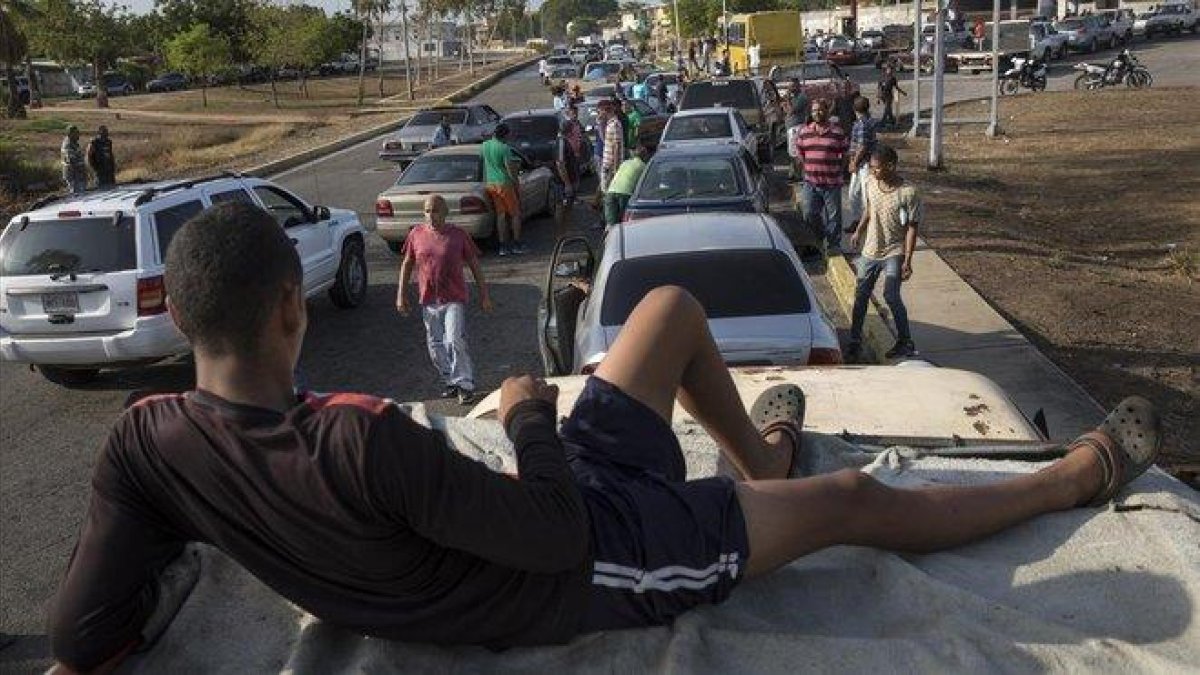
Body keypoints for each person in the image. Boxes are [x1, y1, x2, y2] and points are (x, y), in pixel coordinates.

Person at [47, 198, 1163, 673]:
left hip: (539, 501)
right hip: (585, 557)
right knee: (851, 505)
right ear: (293, 308)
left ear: (182, 321)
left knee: (670, 312)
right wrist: (532, 413)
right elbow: (548, 532)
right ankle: (1068, 481)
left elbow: (83, 628)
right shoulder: (358, 440)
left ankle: (760, 460)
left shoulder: (145, 445)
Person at [397, 195, 493, 404]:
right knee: (435, 344)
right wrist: (401, 295)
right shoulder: (417, 234)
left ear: (446, 212)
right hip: (429, 300)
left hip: (454, 298)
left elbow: (474, 264)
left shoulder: (458, 235)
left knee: (454, 339)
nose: (431, 215)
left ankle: (465, 384)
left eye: (436, 210)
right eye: (427, 211)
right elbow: (407, 263)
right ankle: (450, 380)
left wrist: (484, 295)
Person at [847, 144, 920, 361]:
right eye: (871, 167)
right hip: (870, 250)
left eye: (876, 168)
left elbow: (913, 227)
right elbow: (869, 209)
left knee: (891, 295)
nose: (872, 171)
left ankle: (905, 341)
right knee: (861, 296)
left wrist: (908, 259)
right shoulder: (870, 182)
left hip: (893, 251)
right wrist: (858, 231)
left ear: (891, 166)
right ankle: (854, 340)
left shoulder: (908, 193)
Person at [794, 98, 850, 253]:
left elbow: (845, 152)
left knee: (834, 217)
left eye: (820, 109)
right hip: (811, 183)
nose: (817, 113)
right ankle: (818, 239)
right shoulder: (804, 132)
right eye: (813, 110)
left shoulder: (837, 132)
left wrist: (841, 169)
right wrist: (804, 164)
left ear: (827, 111)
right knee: (810, 213)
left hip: (832, 182)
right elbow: (799, 149)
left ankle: (833, 244)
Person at [480, 123, 525, 256]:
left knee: (501, 215)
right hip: (504, 183)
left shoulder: (485, 145)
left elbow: (484, 161)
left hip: (491, 183)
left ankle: (503, 245)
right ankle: (517, 243)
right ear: (504, 135)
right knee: (515, 214)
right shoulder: (505, 148)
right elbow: (510, 169)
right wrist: (516, 184)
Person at [846, 96, 879, 226]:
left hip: (863, 164)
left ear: (854, 108)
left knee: (864, 195)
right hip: (861, 163)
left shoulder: (862, 124)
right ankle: (858, 220)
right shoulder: (866, 121)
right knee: (854, 194)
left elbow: (862, 146)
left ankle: (865, 222)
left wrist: (854, 162)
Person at [557, 105, 589, 234]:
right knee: (564, 207)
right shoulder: (562, 142)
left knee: (569, 207)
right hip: (566, 180)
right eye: (572, 130)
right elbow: (560, 164)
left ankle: (567, 231)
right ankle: (562, 232)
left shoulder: (566, 141)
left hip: (572, 176)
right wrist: (567, 184)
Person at [603, 144, 649, 227]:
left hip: (611, 191)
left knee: (610, 224)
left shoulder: (625, 162)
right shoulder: (643, 166)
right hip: (625, 193)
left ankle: (608, 237)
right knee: (623, 223)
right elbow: (645, 185)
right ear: (645, 156)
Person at [600, 100, 625, 193]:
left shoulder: (615, 124)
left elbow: (617, 146)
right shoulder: (609, 123)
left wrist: (615, 168)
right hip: (608, 163)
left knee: (607, 191)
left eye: (600, 111)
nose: (600, 114)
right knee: (605, 189)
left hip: (611, 165)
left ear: (605, 111)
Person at [784, 93, 808, 183]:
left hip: (796, 128)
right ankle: (795, 174)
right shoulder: (792, 97)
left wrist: (787, 101)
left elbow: (791, 111)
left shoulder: (801, 97)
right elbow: (786, 112)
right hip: (790, 128)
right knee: (792, 153)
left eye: (792, 83)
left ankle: (801, 176)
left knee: (797, 153)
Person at [85, 125, 116, 189]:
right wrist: (93, 168)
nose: (106, 133)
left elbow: (110, 154)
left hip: (109, 170)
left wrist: (113, 165)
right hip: (99, 170)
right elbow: (88, 155)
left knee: (112, 188)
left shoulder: (108, 142)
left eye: (106, 131)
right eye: (104, 131)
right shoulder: (94, 142)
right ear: (99, 132)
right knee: (101, 189)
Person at [877, 64, 906, 130]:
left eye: (891, 69)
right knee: (888, 109)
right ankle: (892, 120)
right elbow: (879, 88)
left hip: (889, 96)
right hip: (883, 96)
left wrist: (903, 92)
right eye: (888, 69)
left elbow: (896, 87)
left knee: (887, 108)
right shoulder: (882, 77)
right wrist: (878, 98)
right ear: (886, 70)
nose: (889, 70)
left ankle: (882, 122)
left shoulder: (893, 78)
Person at [60, 125, 87, 195]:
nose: (78, 135)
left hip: (78, 174)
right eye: (76, 133)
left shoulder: (74, 143)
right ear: (70, 134)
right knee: (77, 195)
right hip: (73, 175)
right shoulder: (68, 145)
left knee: (80, 193)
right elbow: (72, 161)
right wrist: (81, 170)